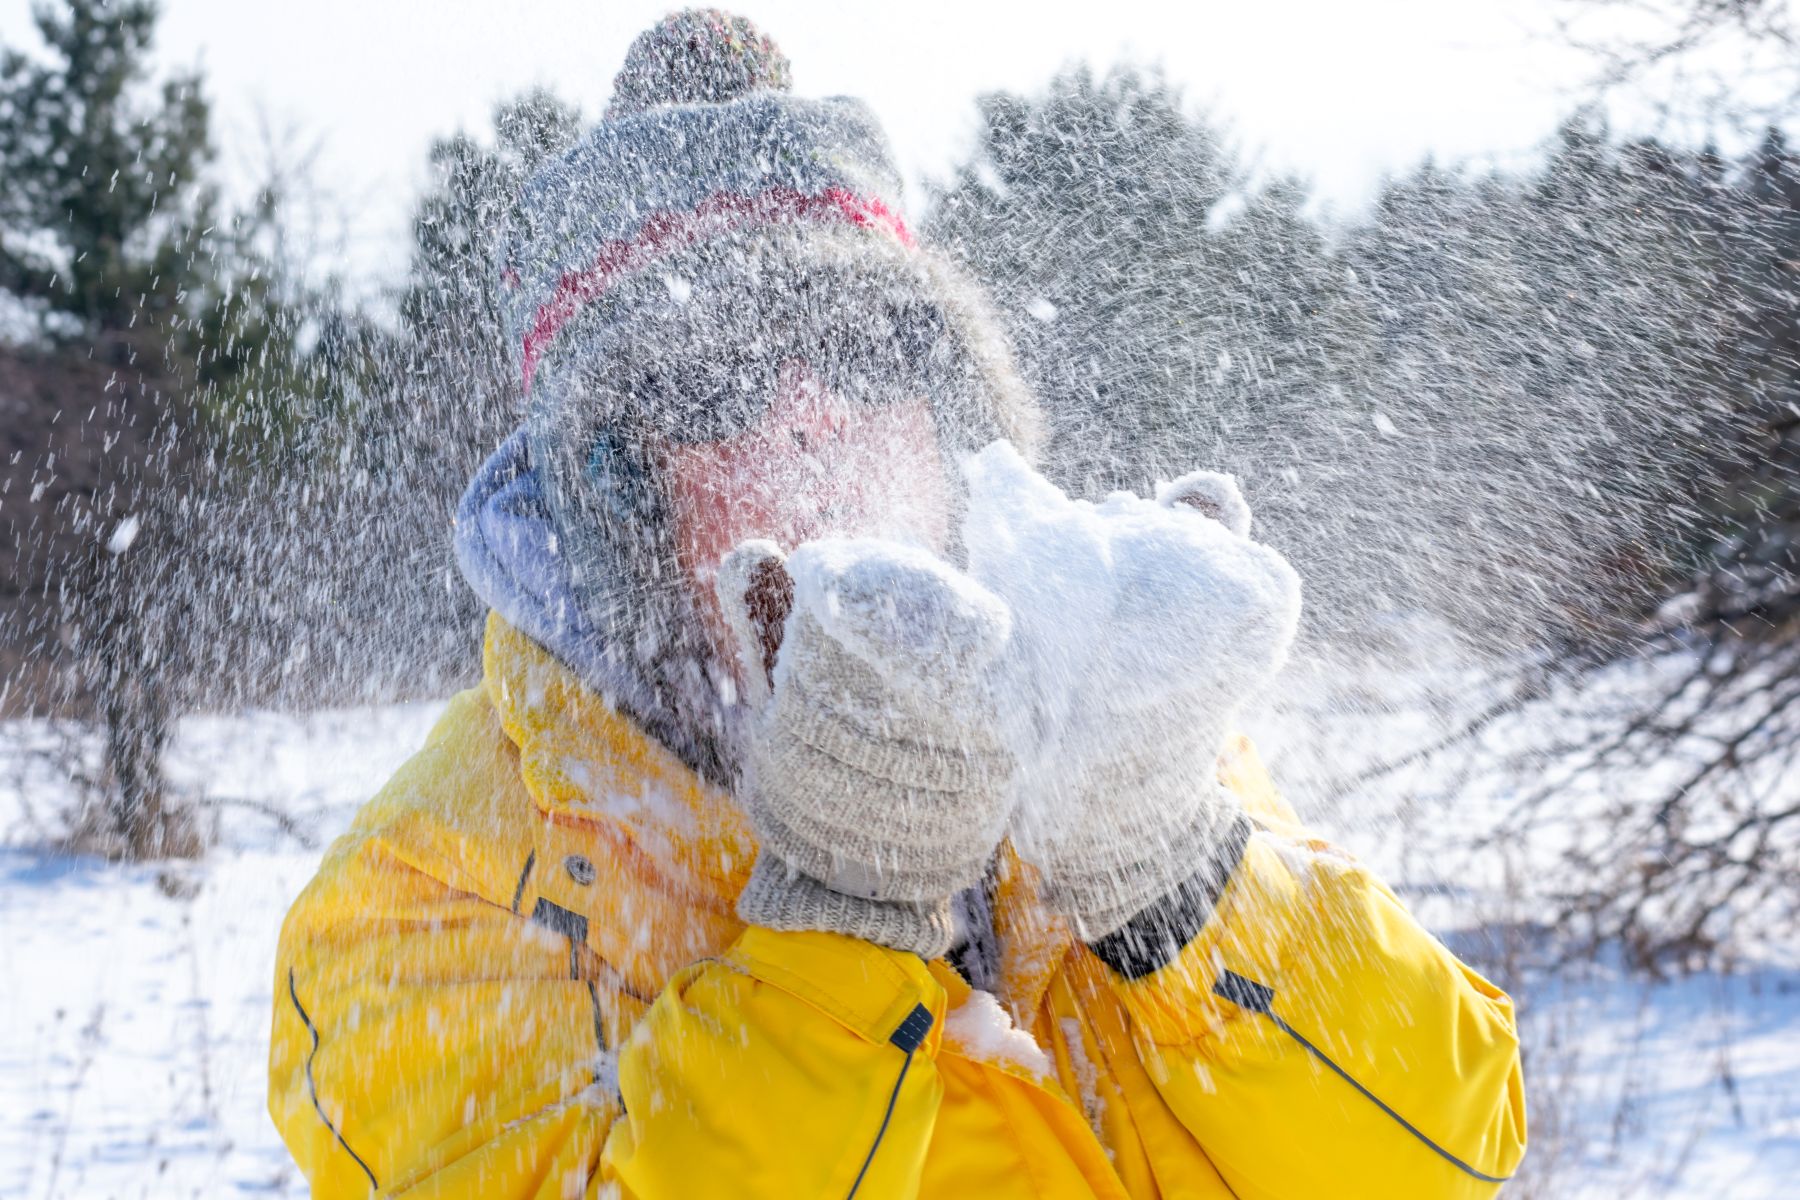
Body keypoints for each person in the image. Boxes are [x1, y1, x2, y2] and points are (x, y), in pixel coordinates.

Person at [268, 11, 1526, 1197]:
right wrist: (838, 929)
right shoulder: (423, 893)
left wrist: (1178, 877)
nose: (815, 416)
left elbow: (1439, 1153)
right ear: (619, 501)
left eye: (871, 347)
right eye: (722, 380)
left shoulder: (1091, 717)